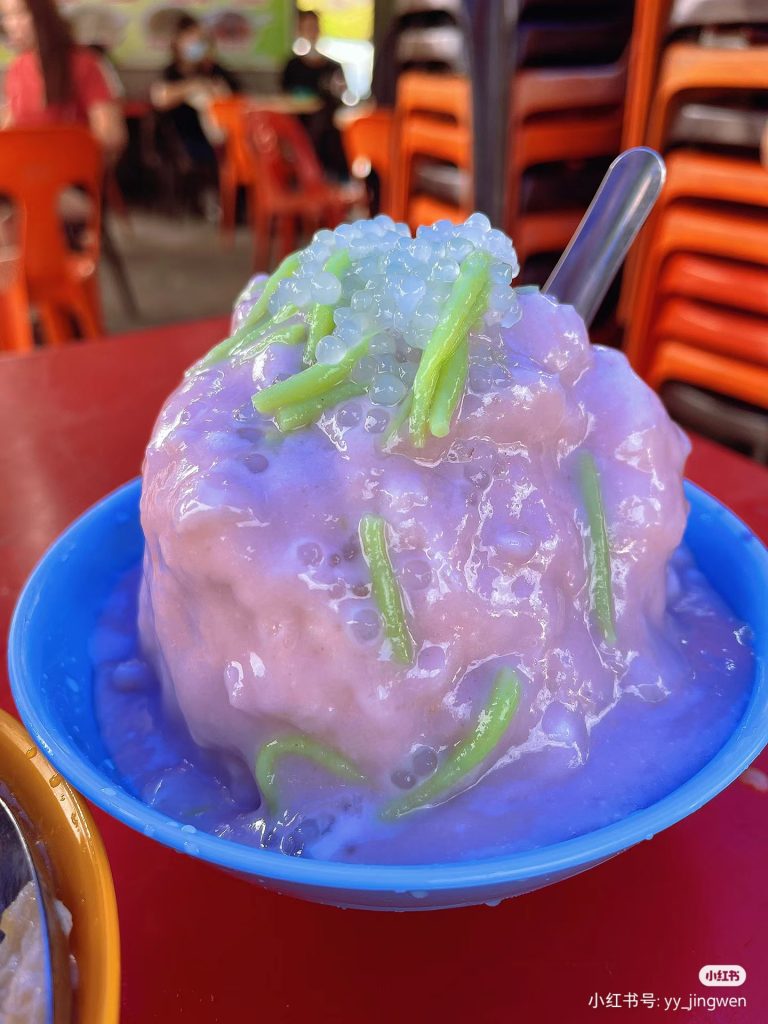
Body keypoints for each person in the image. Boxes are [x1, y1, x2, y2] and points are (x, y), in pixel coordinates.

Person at [0, 0, 126, 161]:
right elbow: (10, 126)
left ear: (45, 15)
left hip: (72, 176)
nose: (11, 24)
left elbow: (111, 139)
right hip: (26, 175)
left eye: (20, 13)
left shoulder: (85, 64)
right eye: (6, 16)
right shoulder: (17, 68)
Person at [150, 13, 239, 174]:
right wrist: (191, 87)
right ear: (177, 42)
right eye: (191, 39)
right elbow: (160, 98)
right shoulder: (171, 73)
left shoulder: (215, 70)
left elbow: (236, 96)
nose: (196, 44)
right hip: (184, 144)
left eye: (200, 40)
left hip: (221, 142)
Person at [281, 8, 349, 180]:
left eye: (313, 27)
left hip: (326, 133)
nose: (311, 31)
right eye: (306, 27)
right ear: (299, 31)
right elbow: (284, 96)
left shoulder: (333, 68)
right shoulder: (292, 66)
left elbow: (342, 98)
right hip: (296, 127)